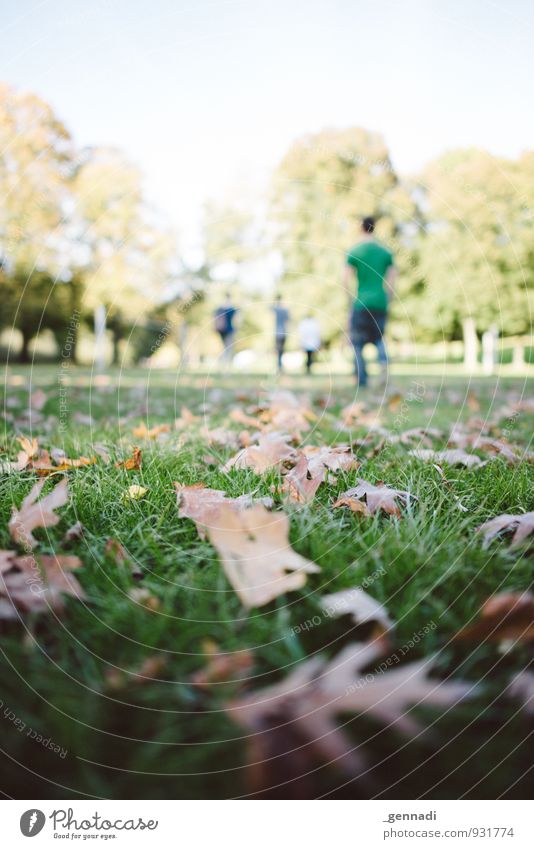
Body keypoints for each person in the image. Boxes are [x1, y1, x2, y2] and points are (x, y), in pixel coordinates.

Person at [343, 216, 396, 386]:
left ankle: (362, 379)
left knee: (357, 342)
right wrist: (388, 298)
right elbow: (392, 279)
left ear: (362, 228)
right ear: (374, 228)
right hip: (380, 302)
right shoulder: (385, 252)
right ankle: (384, 367)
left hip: (361, 302)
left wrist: (350, 300)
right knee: (379, 338)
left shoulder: (355, 251)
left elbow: (345, 279)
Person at [213, 294, 238, 365]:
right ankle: (226, 362)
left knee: (225, 347)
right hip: (229, 330)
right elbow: (236, 320)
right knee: (228, 347)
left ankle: (224, 362)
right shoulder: (232, 309)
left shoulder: (220, 308)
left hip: (221, 330)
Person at [272, 295, 290, 372]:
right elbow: (288, 319)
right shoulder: (285, 309)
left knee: (279, 350)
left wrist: (275, 303)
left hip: (278, 332)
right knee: (281, 350)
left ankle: (279, 366)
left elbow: (269, 307)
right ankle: (279, 366)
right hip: (283, 332)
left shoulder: (277, 309)